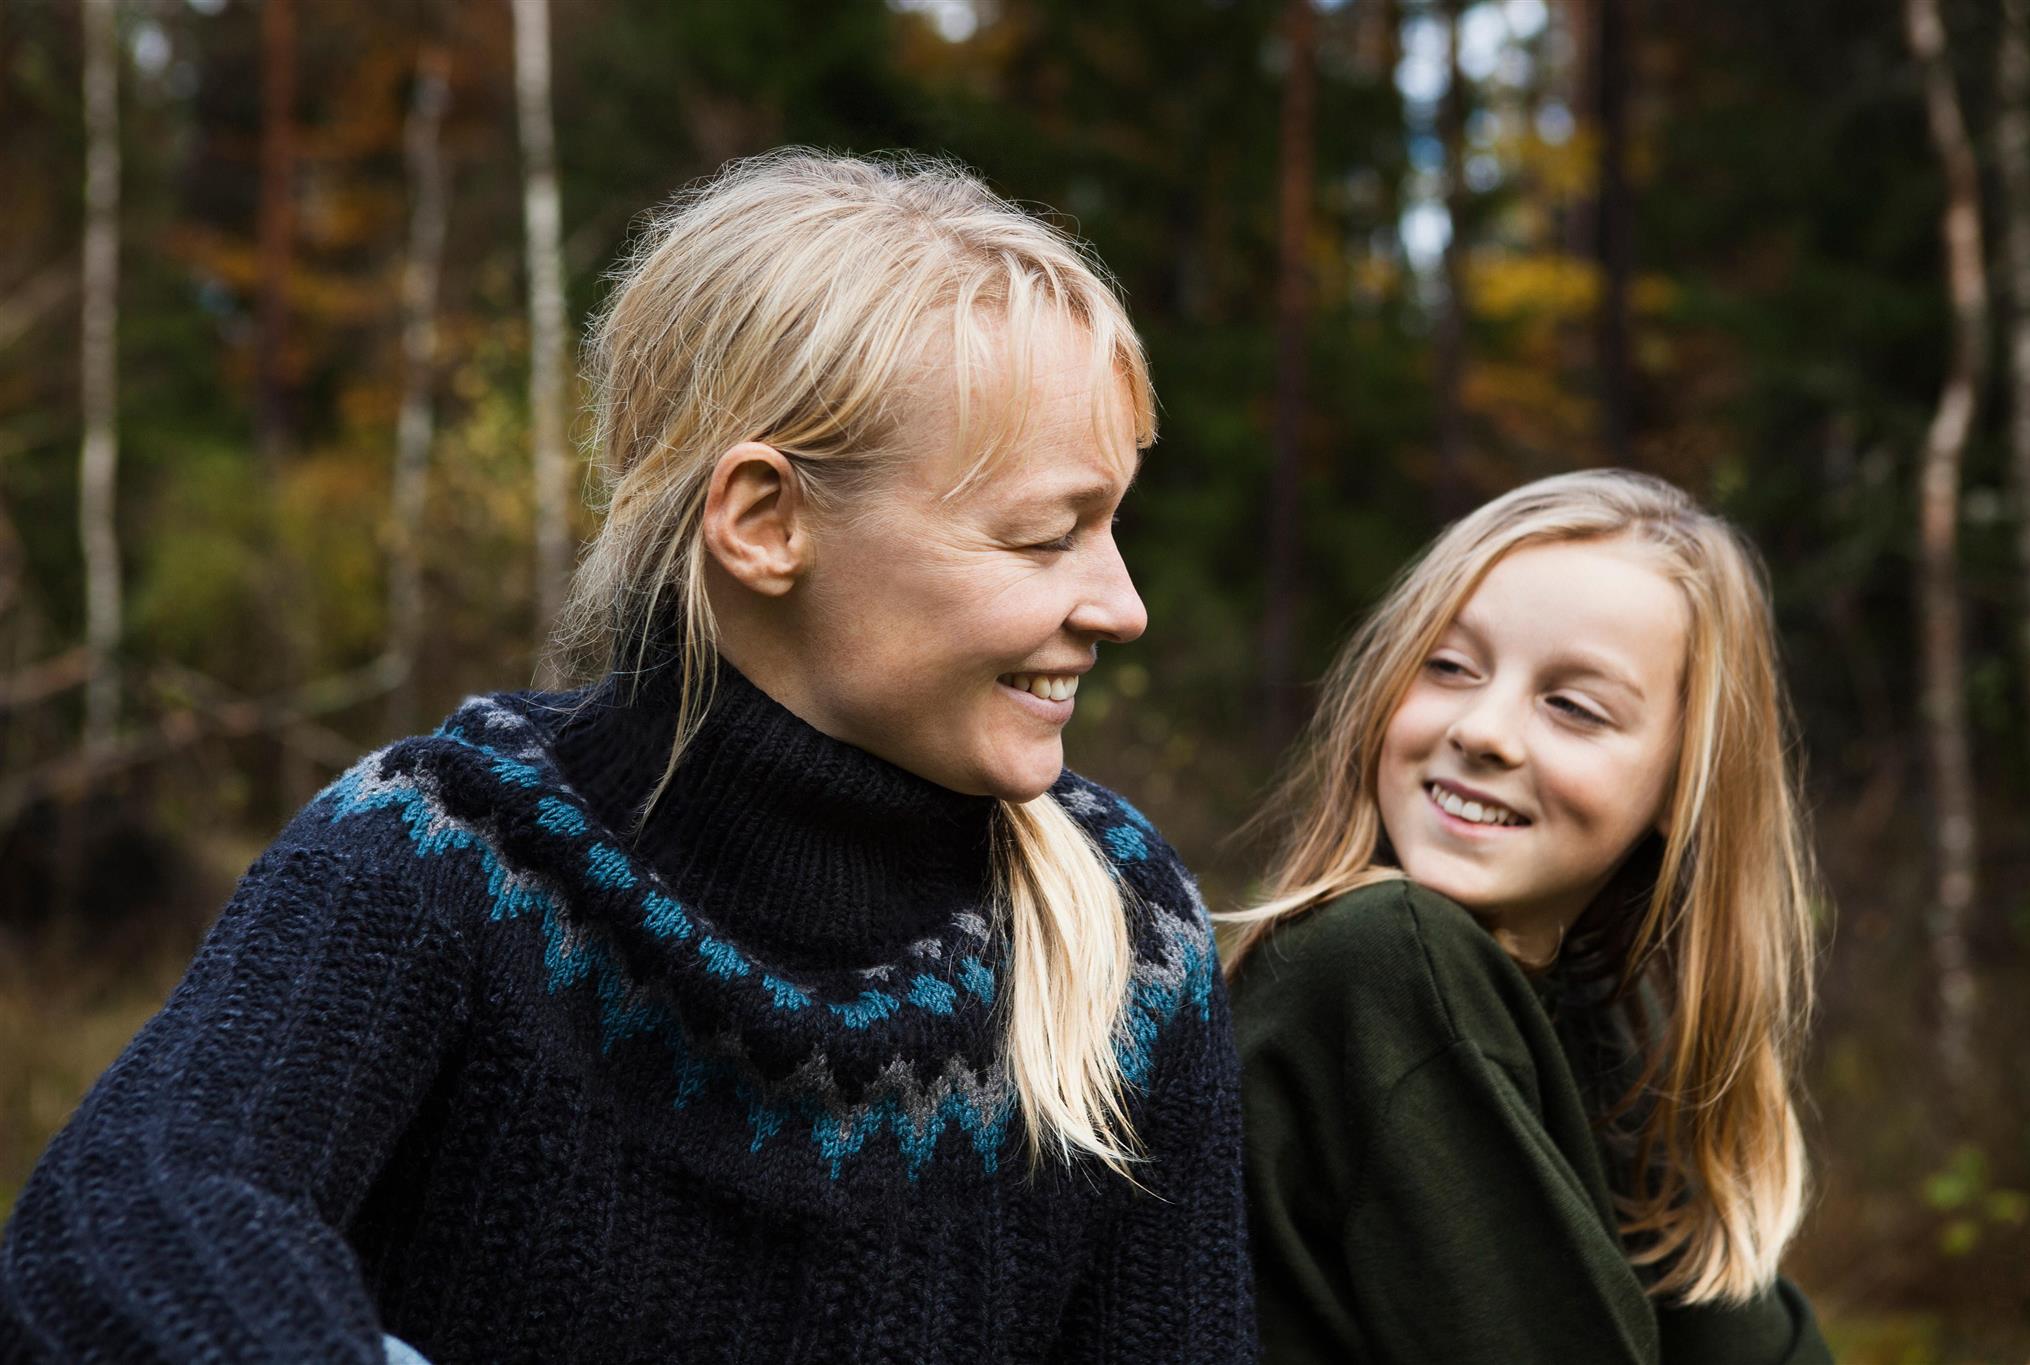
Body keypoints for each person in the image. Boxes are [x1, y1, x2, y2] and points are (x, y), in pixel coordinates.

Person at [0, 151, 1253, 1364]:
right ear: (764, 522)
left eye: (1111, 527)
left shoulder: (1122, 935)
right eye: (1043, 537)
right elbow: (124, 1228)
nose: (1122, 606)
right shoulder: (451, 848)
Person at [1227, 470, 1833, 1363]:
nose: (1484, 729)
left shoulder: (1610, 1027)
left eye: (1573, 706)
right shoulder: (1382, 957)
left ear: (1685, 786)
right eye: (1448, 665)